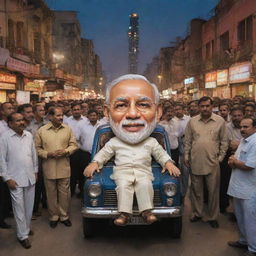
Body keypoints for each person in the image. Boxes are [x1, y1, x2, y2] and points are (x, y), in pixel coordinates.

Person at [84, 74, 180, 226]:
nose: (133, 114)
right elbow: (104, 154)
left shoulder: (152, 141)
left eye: (143, 104)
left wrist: (168, 163)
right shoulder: (114, 142)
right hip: (122, 173)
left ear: (158, 112)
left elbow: (161, 154)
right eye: (121, 105)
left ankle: (147, 211)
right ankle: (125, 213)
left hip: (143, 172)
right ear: (107, 113)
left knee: (145, 185)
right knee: (122, 186)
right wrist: (95, 163)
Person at [184, 96, 228, 228]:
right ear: (199, 107)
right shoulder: (192, 122)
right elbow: (188, 141)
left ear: (212, 106)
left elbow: (224, 142)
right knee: (196, 190)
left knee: (213, 190)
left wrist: (220, 158)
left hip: (213, 162)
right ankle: (197, 213)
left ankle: (213, 216)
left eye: (207, 106)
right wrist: (186, 156)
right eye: (202, 106)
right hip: (195, 160)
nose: (204, 108)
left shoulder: (220, 121)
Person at [35, 107, 78, 228]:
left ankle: (64, 216)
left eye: (62, 115)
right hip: (48, 167)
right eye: (58, 115)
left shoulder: (68, 129)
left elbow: (74, 145)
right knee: (51, 194)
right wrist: (48, 154)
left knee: (65, 194)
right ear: (50, 117)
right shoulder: (42, 131)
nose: (61, 117)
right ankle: (54, 216)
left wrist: (65, 151)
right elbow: (37, 149)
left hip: (64, 166)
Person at [0, 113, 38, 249]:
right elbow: (1, 160)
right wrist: (7, 178)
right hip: (14, 179)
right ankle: (23, 236)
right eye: (18, 121)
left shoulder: (28, 135)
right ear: (10, 123)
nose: (22, 122)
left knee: (29, 207)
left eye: (22, 120)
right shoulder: (4, 138)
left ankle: (26, 228)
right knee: (19, 208)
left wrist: (35, 171)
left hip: (30, 177)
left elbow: (33, 154)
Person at [227, 117, 256, 256]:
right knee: (241, 217)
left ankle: (253, 249)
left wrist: (234, 161)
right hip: (239, 187)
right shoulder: (244, 141)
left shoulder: (255, 142)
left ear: (254, 128)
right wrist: (233, 160)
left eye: (246, 127)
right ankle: (244, 241)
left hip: (250, 189)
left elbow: (249, 166)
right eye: (241, 127)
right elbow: (236, 160)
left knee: (251, 220)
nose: (242, 129)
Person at [64, 103, 87, 197]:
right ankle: (71, 191)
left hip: (82, 150)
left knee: (82, 172)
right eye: (74, 109)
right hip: (70, 149)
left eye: (78, 109)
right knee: (71, 172)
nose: (76, 111)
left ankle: (82, 191)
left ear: (81, 110)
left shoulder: (86, 121)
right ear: (72, 111)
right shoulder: (67, 121)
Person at [0, 102, 14, 229]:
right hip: (3, 163)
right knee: (2, 192)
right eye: (9, 108)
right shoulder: (1, 127)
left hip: (12, 164)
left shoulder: (12, 126)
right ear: (2, 112)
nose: (12, 110)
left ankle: (7, 211)